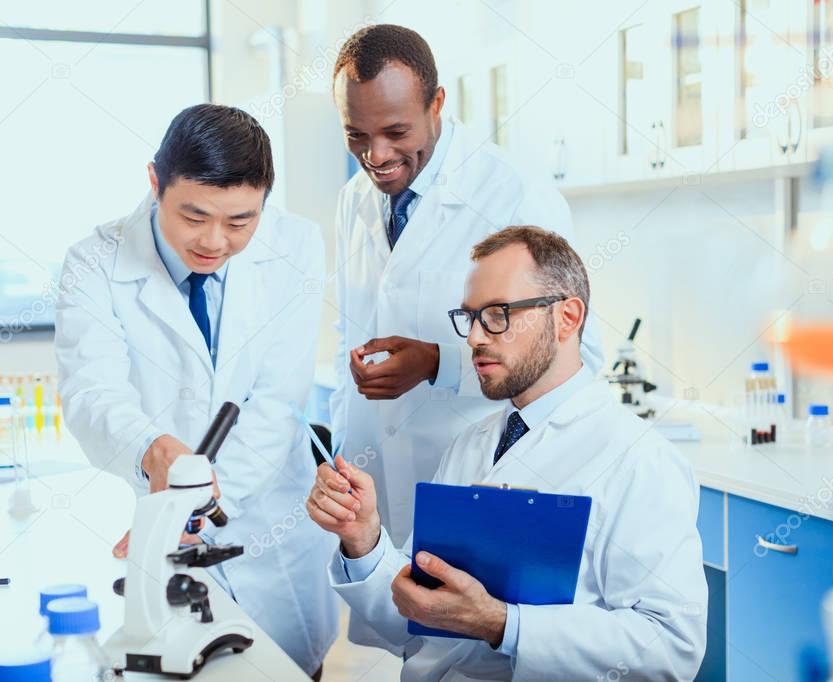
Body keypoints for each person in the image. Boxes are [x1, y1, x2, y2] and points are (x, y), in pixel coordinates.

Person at [307, 226, 707, 680]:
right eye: (470, 317)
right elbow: (417, 616)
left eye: (497, 314)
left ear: (568, 317)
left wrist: (502, 624)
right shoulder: (471, 444)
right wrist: (363, 539)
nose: (475, 336)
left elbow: (671, 649)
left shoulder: (638, 459)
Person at [55, 104, 339, 677]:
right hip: (163, 532)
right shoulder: (95, 263)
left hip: (271, 535)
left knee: (283, 669)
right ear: (155, 182)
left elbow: (275, 403)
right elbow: (92, 392)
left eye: (241, 222)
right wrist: (150, 447)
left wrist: (197, 507)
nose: (215, 241)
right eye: (194, 216)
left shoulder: (296, 247)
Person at [329, 24, 604, 549]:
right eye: (356, 135)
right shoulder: (353, 200)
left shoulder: (515, 192)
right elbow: (352, 328)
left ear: (436, 104)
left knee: (469, 624)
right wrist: (342, 447)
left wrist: (438, 364)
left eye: (396, 132)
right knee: (390, 616)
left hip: (479, 482)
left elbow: (581, 357)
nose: (376, 155)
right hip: (374, 487)